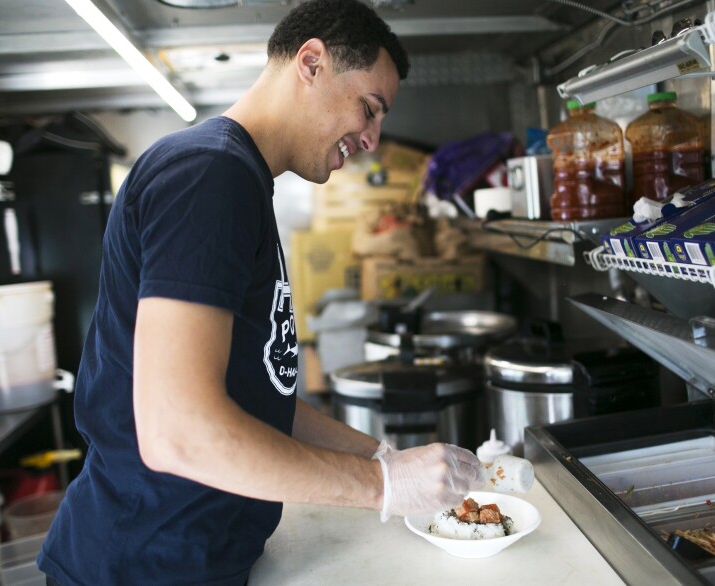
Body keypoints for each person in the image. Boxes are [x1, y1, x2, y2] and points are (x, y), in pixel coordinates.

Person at [37, 1, 484, 584]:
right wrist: (382, 486)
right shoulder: (209, 176)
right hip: (142, 566)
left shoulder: (238, 178)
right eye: (369, 108)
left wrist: (382, 457)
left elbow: (258, 397)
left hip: (191, 558)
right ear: (311, 63)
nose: (373, 139)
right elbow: (179, 434)